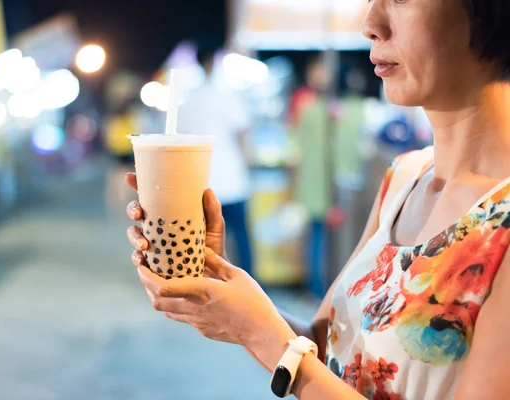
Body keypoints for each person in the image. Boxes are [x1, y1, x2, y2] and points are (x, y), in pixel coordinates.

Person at [126, 1, 510, 398]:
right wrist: (227, 296)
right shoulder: (405, 177)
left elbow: (295, 355)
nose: (370, 25)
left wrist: (260, 333)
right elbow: (324, 348)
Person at [177, 45, 254, 275]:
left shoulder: (188, 99)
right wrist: (247, 161)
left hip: (201, 182)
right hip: (231, 180)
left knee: (201, 237)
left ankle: (204, 277)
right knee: (240, 236)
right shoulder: (226, 95)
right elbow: (242, 134)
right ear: (213, 62)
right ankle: (248, 281)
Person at [288, 57, 334, 297]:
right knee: (315, 234)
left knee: (318, 234)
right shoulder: (307, 102)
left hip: (321, 182)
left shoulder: (324, 104)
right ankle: (315, 285)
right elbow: (295, 142)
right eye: (318, 71)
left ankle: (317, 285)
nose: (321, 76)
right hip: (313, 181)